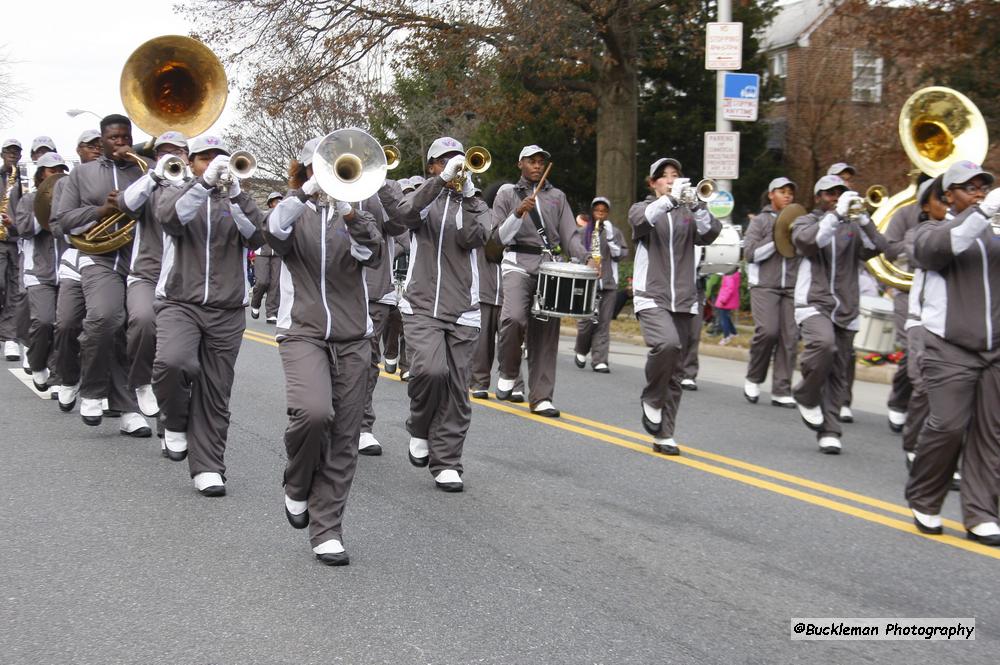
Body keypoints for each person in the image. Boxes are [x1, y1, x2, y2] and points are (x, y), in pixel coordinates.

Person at [265, 137, 382, 565]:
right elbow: (273, 233)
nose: (330, 174)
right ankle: (296, 485)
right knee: (314, 414)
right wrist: (304, 193)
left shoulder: (355, 216)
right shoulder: (292, 211)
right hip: (303, 333)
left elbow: (371, 252)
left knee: (345, 436)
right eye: (321, 166)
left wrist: (348, 210)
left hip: (353, 338)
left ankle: (327, 529)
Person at [153, 135, 264, 496]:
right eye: (205, 158)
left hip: (227, 309)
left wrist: (234, 195)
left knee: (216, 390)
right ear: (192, 162)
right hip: (180, 302)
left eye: (220, 158)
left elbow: (258, 235)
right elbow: (171, 219)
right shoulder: (176, 189)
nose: (213, 163)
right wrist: (201, 185)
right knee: (172, 363)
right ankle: (175, 419)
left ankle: (209, 466)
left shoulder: (236, 199)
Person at [387, 137, 488, 492]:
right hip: (421, 304)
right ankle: (419, 425)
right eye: (444, 159)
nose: (455, 163)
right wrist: (439, 184)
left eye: (457, 158)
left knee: (457, 389)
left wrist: (469, 197)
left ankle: (447, 461)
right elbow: (403, 214)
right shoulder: (422, 195)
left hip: (463, 307)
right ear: (432, 165)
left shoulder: (474, 202)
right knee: (430, 370)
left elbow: (475, 237)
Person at [906, 161, 1000, 545]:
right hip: (948, 347)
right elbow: (944, 247)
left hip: (995, 351)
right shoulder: (929, 231)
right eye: (968, 187)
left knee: (990, 435)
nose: (977, 191)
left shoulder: (994, 231)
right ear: (948, 196)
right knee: (947, 426)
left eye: (982, 185)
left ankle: (981, 513)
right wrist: (983, 212)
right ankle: (925, 499)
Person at [50, 114, 150, 435]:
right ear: (102, 141)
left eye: (125, 137)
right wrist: (101, 211)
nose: (120, 143)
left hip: (139, 258)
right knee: (106, 319)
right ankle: (91, 390)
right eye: (113, 138)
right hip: (98, 257)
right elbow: (64, 219)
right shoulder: (81, 173)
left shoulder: (144, 169)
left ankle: (128, 407)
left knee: (136, 328)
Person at [629, 157, 722, 455]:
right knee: (666, 345)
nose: (671, 179)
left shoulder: (688, 213)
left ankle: (665, 433)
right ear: (653, 183)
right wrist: (669, 199)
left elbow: (711, 232)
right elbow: (641, 223)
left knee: (677, 369)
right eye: (664, 176)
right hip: (651, 295)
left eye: (675, 175)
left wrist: (696, 205)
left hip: (684, 298)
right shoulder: (643, 208)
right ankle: (652, 398)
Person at [790, 174, 887, 454]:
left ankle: (829, 431)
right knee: (824, 345)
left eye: (840, 193)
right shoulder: (806, 220)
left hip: (847, 307)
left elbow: (881, 247)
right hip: (813, 302)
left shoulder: (853, 227)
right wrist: (835, 216)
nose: (835, 197)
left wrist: (865, 220)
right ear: (819, 197)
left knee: (839, 371)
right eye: (830, 193)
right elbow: (809, 243)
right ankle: (806, 393)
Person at [492, 145, 585, 417]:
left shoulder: (557, 196)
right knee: (513, 318)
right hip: (517, 262)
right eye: (531, 161)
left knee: (545, 335)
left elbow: (570, 234)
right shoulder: (507, 194)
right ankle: (508, 371)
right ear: (519, 163)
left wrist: (586, 257)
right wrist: (518, 212)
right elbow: (497, 237)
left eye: (541, 161)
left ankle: (542, 397)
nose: (537, 165)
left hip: (548, 267)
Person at [119, 131, 190, 420]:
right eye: (163, 153)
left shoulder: (197, 186)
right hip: (147, 275)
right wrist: (153, 177)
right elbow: (127, 204)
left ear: (188, 156)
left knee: (178, 355)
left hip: (183, 281)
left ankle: (173, 419)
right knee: (143, 321)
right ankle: (142, 381)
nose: (171, 157)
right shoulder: (147, 185)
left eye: (178, 151)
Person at [49, 129, 101, 411]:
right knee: (67, 324)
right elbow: (58, 225)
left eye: (98, 145)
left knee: (108, 327)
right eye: (89, 146)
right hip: (76, 258)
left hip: (110, 260)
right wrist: (89, 225)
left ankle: (109, 391)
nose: (96, 149)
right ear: (78, 150)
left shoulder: (115, 177)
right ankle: (68, 378)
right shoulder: (66, 183)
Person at [14, 153, 70, 391]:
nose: (56, 174)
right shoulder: (29, 200)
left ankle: (58, 375)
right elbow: (24, 229)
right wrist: (45, 210)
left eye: (60, 169)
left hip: (66, 271)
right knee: (44, 322)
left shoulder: (70, 198)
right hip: (38, 272)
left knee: (64, 325)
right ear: (40, 174)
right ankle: (37, 363)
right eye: (50, 170)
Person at [742, 177, 799, 407]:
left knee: (790, 337)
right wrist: (778, 236)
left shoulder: (799, 220)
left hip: (792, 287)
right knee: (768, 332)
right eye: (782, 191)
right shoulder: (760, 221)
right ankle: (754, 377)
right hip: (764, 285)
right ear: (771, 195)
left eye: (790, 192)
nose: (787, 196)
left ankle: (781, 389)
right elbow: (750, 254)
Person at [574, 197, 627, 373]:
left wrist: (611, 238)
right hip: (587, 283)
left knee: (603, 323)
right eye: (597, 211)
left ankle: (600, 360)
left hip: (608, 284)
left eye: (604, 211)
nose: (600, 214)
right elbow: (574, 253)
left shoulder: (614, 232)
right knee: (586, 322)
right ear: (592, 212)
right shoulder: (582, 232)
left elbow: (621, 255)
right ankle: (581, 349)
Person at [0, 138, 25, 362]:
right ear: (2, 154)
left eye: (16, 152)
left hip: (18, 239)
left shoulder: (24, 179)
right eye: (9, 151)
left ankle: (10, 335)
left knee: (16, 288)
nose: (12, 155)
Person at [250, 191, 283, 322]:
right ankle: (255, 303)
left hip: (278, 254)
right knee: (262, 281)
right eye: (275, 201)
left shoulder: (284, 217)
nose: (278, 203)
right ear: (270, 204)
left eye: (280, 200)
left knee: (275, 284)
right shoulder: (264, 215)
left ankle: (271, 313)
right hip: (262, 253)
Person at [713, 269, 741, 345]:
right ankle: (734, 333)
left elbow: (729, 288)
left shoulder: (729, 274)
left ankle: (726, 337)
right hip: (730, 300)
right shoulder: (735, 273)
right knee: (726, 317)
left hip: (725, 301)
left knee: (723, 319)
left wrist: (723, 300)